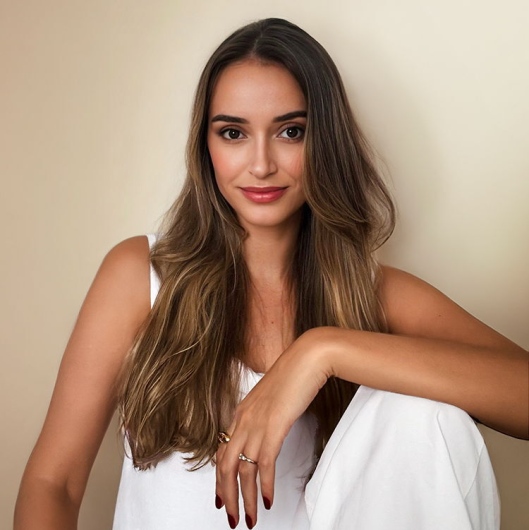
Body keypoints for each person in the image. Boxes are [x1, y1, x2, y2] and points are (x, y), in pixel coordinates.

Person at [14, 17, 528, 530]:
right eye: (233, 133)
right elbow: (54, 483)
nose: (260, 165)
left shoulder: (373, 295)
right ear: (205, 145)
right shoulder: (142, 276)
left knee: (425, 415)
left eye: (290, 131)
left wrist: (321, 352)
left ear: (325, 141)